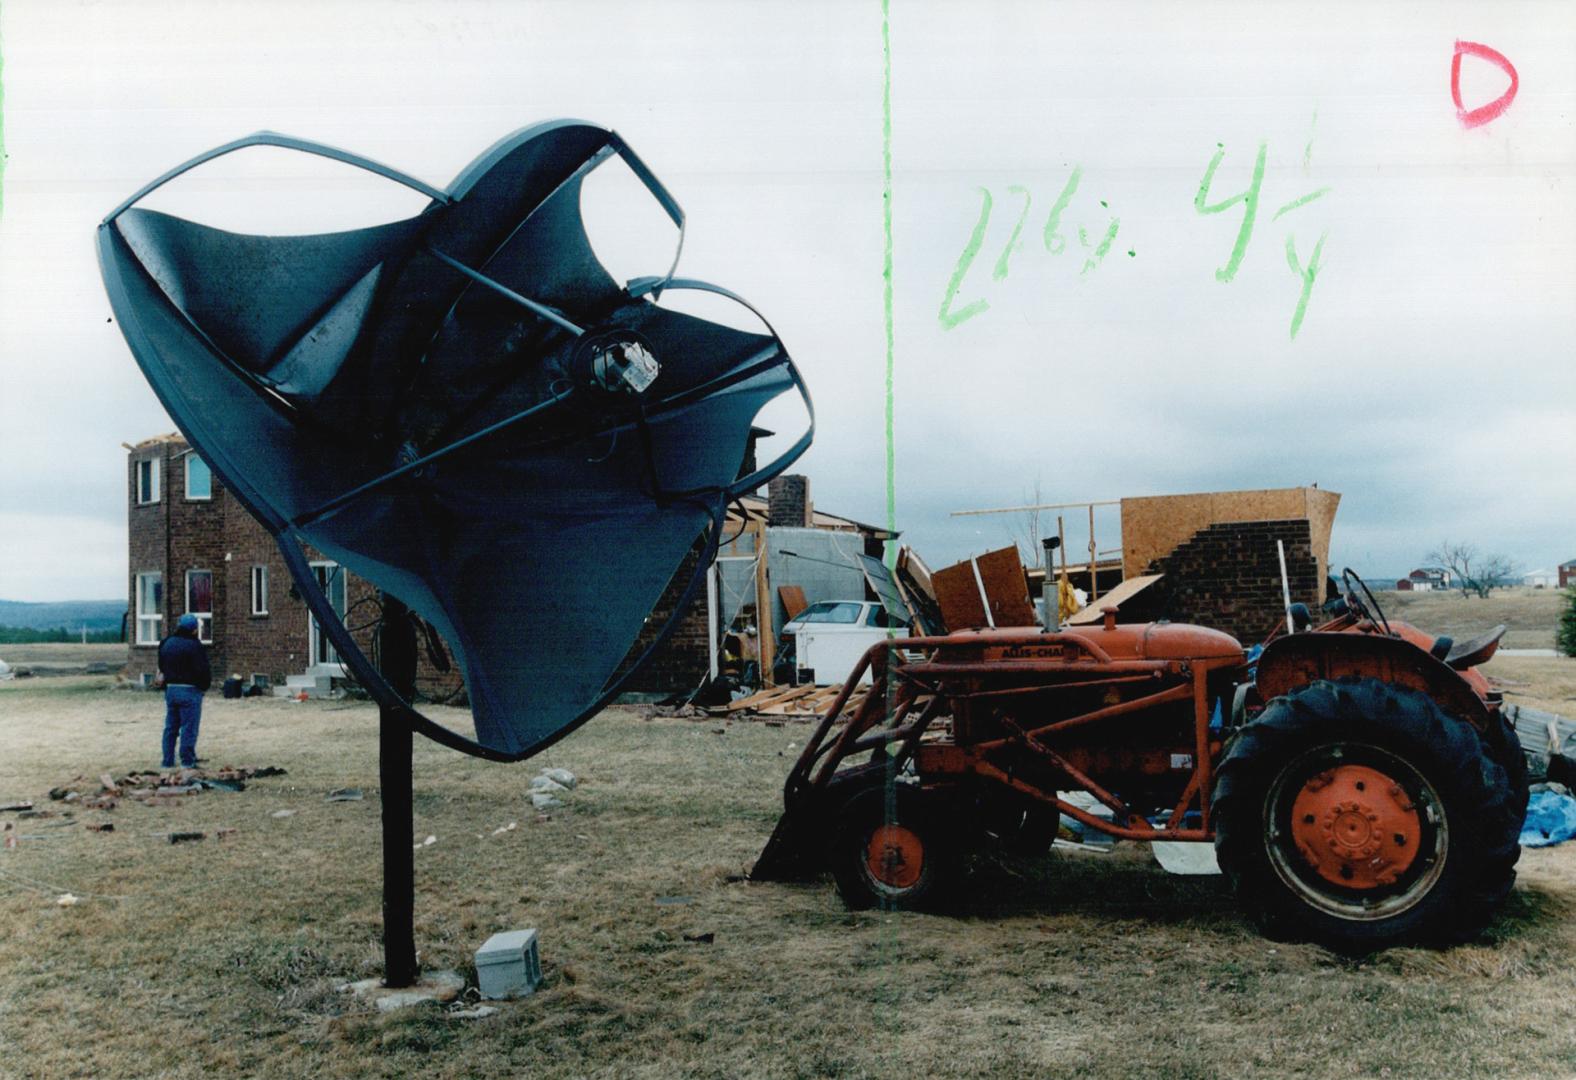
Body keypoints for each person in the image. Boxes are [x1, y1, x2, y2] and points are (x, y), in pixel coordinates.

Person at [157, 613, 212, 770]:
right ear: (194, 629)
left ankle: (167, 761)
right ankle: (187, 761)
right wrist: (203, 687)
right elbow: (203, 670)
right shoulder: (195, 645)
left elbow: (161, 667)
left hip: (171, 690)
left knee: (171, 727)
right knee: (189, 727)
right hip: (190, 691)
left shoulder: (166, 643)